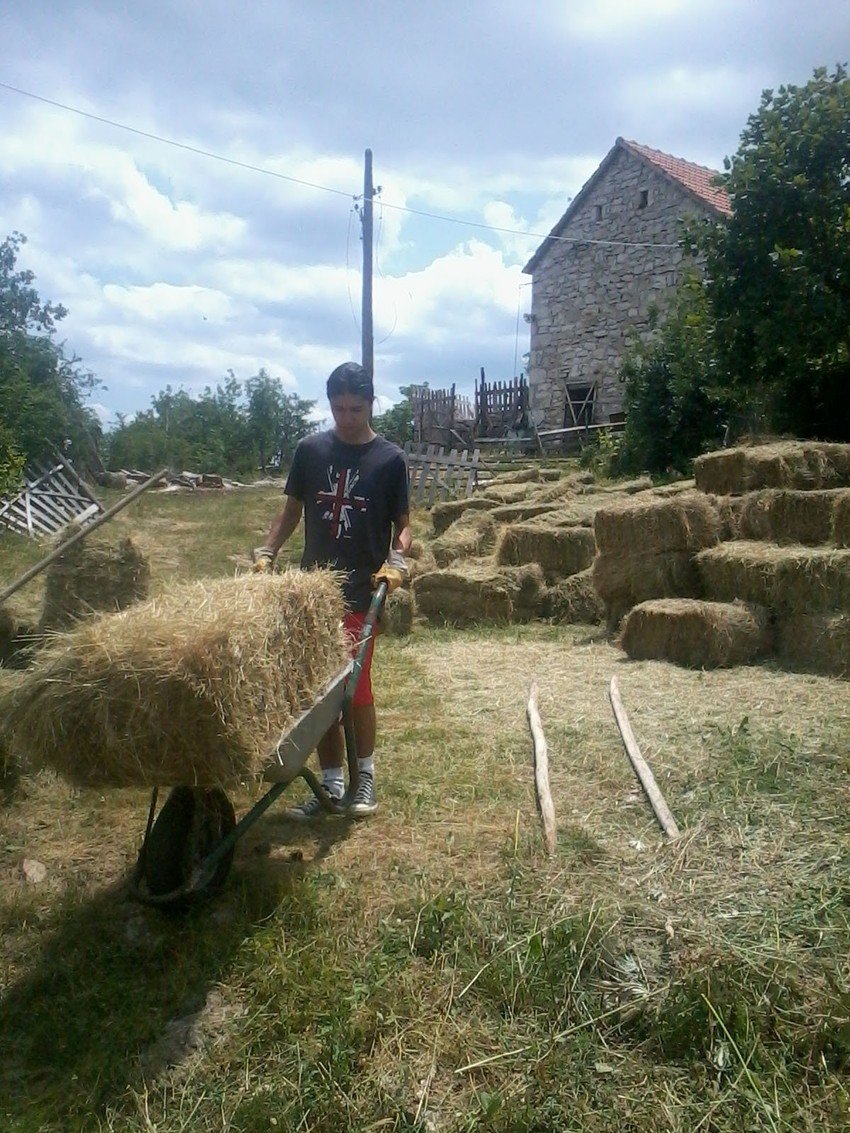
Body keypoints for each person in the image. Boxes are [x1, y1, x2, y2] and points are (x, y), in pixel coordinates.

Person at [252, 361, 411, 818]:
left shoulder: (389, 460)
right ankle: (329, 785)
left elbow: (404, 527)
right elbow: (290, 512)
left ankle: (365, 782)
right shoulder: (311, 451)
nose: (346, 418)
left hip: (362, 591)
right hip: (312, 594)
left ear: (371, 404)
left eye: (356, 409)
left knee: (354, 691)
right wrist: (268, 549)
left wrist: (396, 561)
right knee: (317, 695)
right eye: (339, 408)